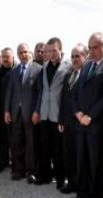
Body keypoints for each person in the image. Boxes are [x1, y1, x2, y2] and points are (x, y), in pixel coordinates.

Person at [67, 32, 103, 198]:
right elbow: (74, 94)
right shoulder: (86, 65)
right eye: (89, 48)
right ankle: (82, 193)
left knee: (96, 162)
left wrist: (91, 116)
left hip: (97, 124)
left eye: (95, 47)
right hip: (81, 123)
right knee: (82, 159)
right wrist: (78, 114)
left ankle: (96, 196)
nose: (91, 51)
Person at [33, 37, 71, 187]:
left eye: (54, 50)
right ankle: (45, 176)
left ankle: (60, 179)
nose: (50, 53)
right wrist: (37, 111)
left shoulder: (68, 66)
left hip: (59, 114)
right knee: (45, 147)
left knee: (59, 149)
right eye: (48, 51)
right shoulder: (44, 67)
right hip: (45, 113)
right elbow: (42, 91)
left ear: (60, 50)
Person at [5, 43, 42, 181]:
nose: (23, 55)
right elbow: (10, 91)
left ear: (30, 52)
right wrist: (7, 110)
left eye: (25, 52)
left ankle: (31, 171)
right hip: (16, 112)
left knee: (31, 143)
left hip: (31, 112)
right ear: (18, 54)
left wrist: (37, 111)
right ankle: (18, 170)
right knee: (17, 142)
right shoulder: (14, 71)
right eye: (20, 53)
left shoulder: (38, 69)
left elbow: (40, 93)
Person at [58, 43, 88, 194]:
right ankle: (71, 183)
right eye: (73, 56)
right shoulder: (68, 75)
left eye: (78, 56)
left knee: (80, 156)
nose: (75, 59)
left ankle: (81, 185)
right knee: (68, 154)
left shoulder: (87, 75)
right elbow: (63, 99)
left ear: (85, 56)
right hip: (67, 123)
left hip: (81, 123)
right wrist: (61, 120)